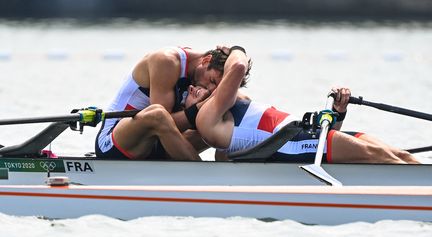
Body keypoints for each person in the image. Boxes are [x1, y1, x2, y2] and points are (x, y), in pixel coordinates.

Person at [188, 66, 419, 163]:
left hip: (307, 136)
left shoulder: (233, 107)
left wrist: (339, 111)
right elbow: (236, 68)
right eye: (189, 93)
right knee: (384, 157)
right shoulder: (207, 121)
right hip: (293, 143)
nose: (195, 89)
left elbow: (325, 144)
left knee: (400, 155)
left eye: (199, 84)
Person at [95, 46, 250, 160]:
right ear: (206, 60)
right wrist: (204, 106)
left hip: (156, 144)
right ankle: (204, 177)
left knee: (230, 109)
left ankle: (228, 171)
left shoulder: (201, 75)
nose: (209, 89)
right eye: (211, 81)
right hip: (115, 142)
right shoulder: (166, 61)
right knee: (158, 114)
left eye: (215, 87)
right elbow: (165, 122)